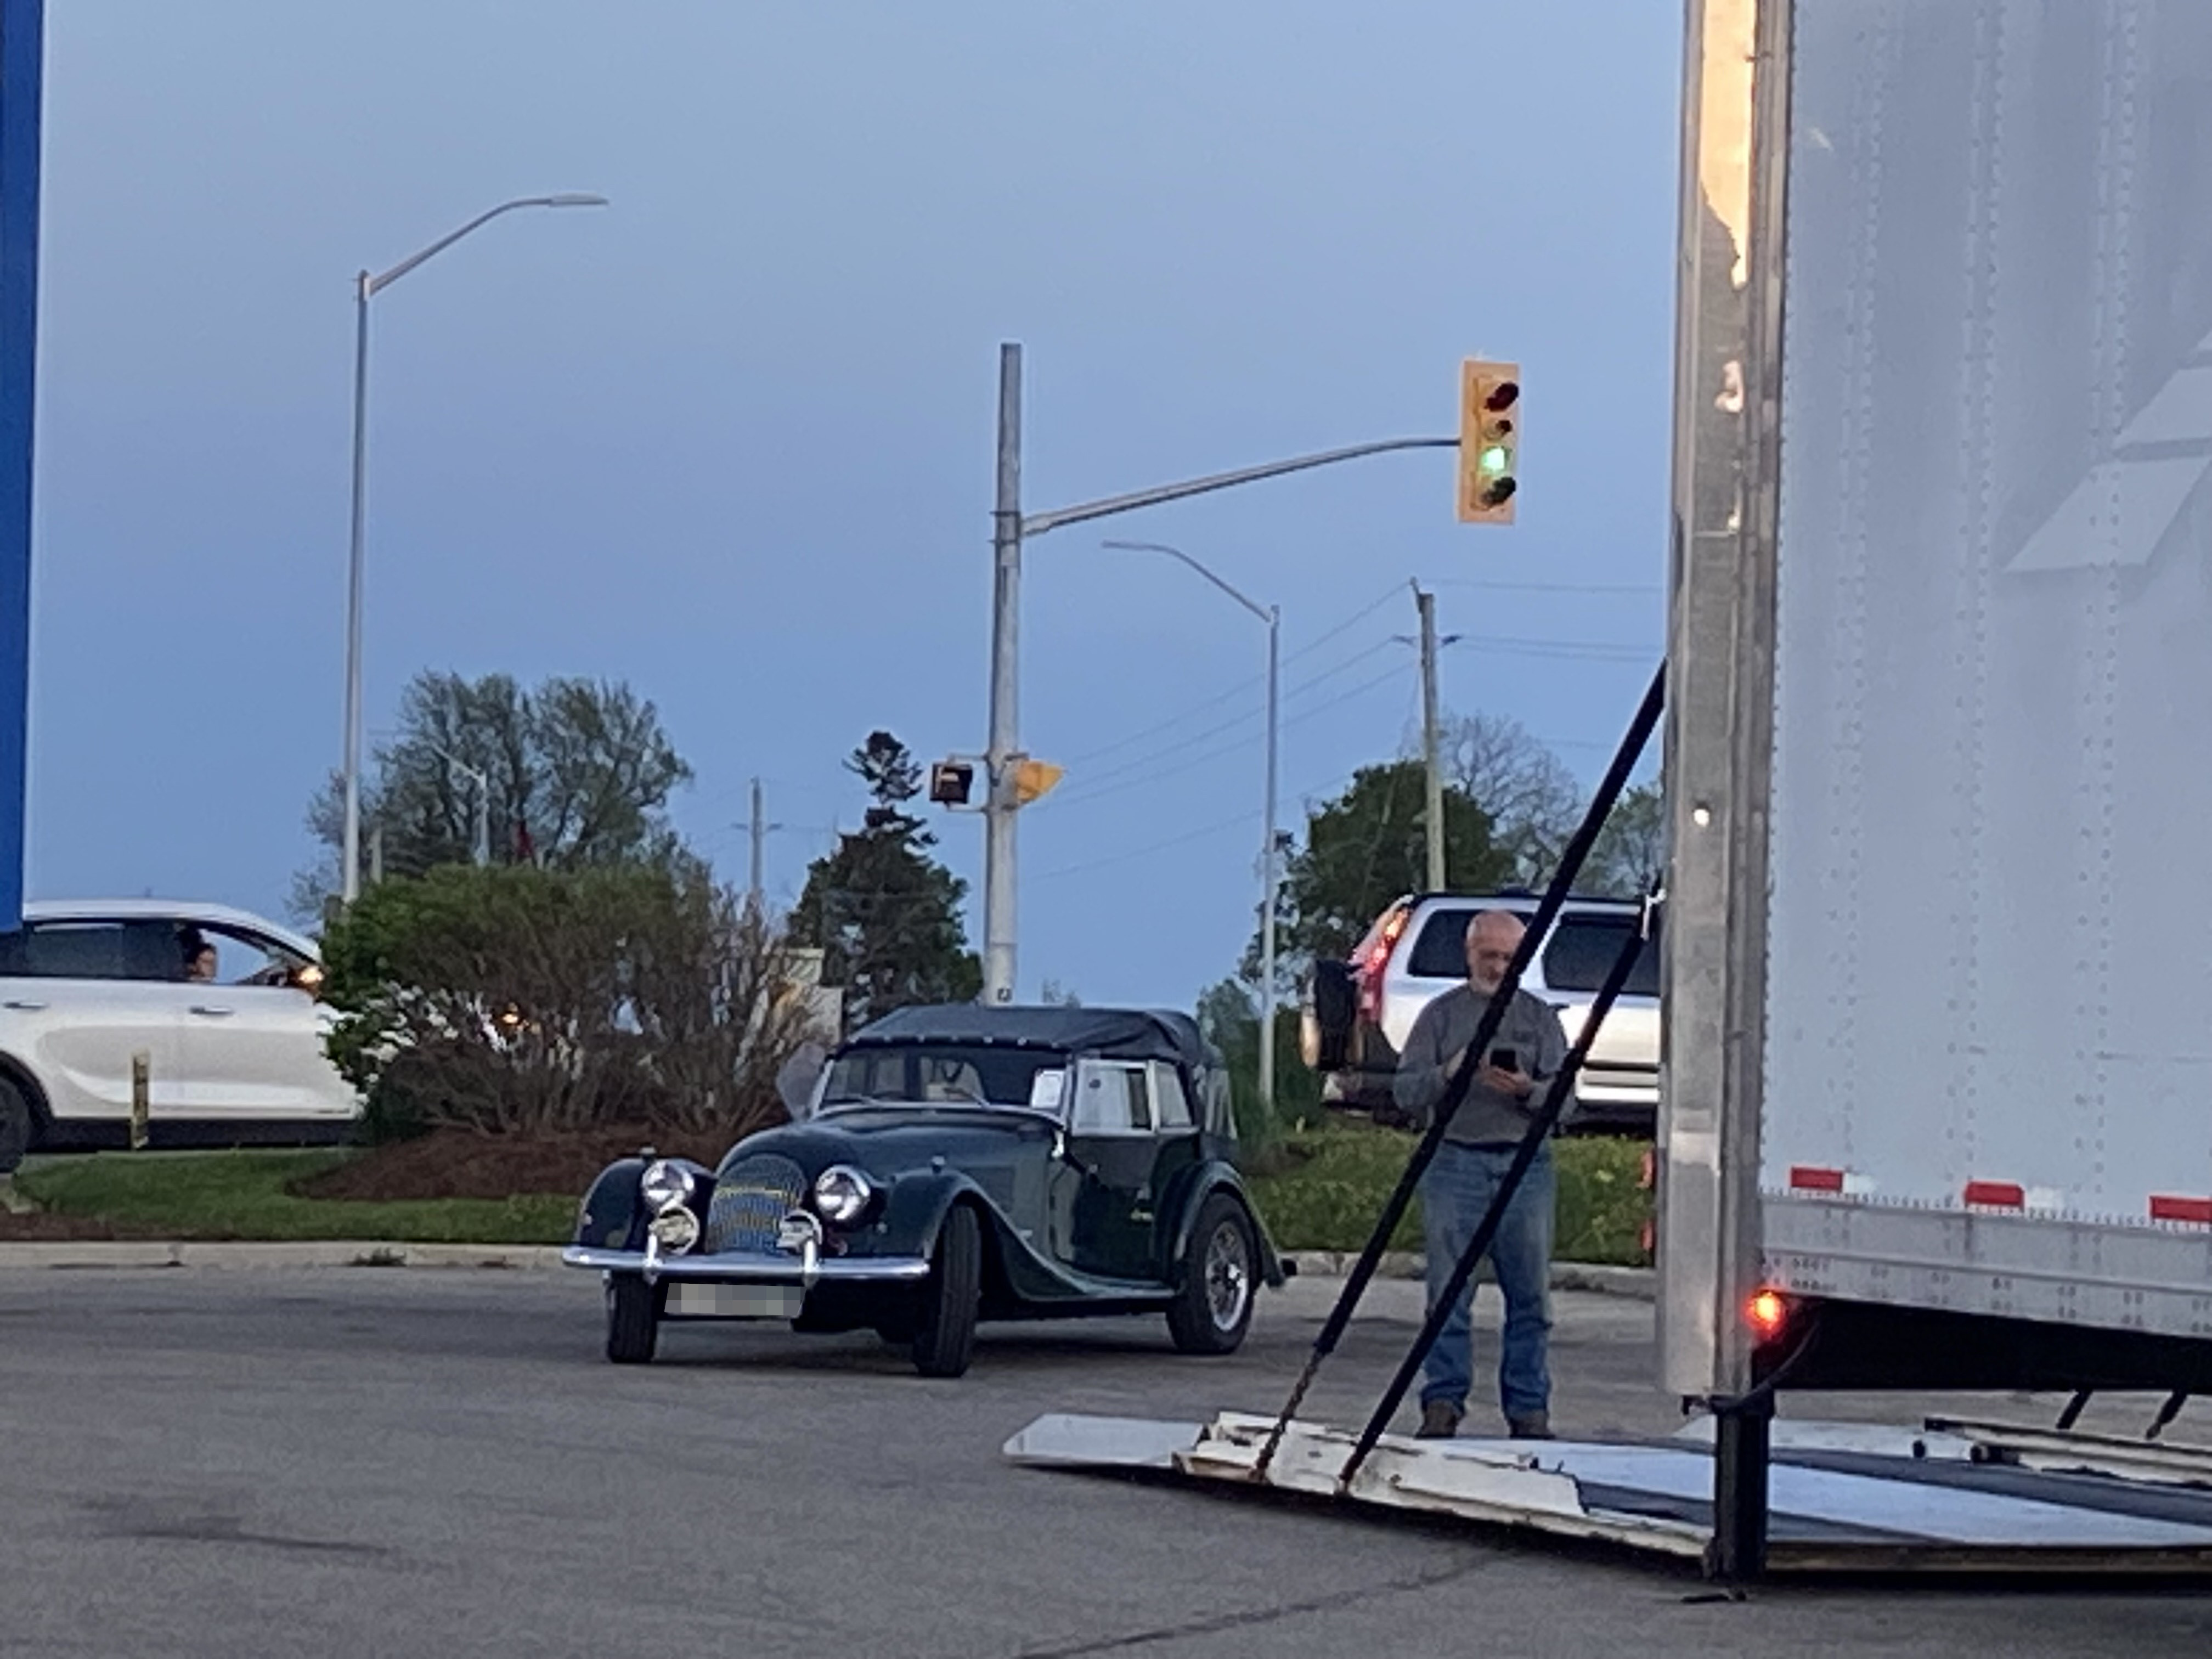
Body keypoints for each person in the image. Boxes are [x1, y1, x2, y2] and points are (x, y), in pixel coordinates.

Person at [1392, 908, 1573, 1441]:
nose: (1497, 967)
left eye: (1508, 958)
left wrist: (1526, 1090)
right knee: (1447, 1296)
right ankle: (1443, 1403)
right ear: (1469, 955)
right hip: (1455, 1161)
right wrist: (1452, 1070)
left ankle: (1529, 1411)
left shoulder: (1541, 1019)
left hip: (1525, 1165)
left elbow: (1567, 1102)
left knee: (1532, 1300)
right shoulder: (1440, 1016)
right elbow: (1406, 1091)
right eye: (1489, 956)